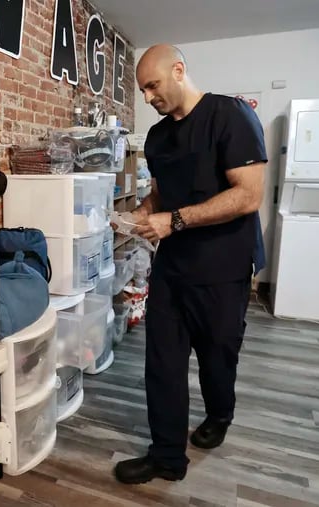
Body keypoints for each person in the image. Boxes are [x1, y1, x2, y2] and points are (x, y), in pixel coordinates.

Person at [114, 44, 267, 484]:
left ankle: (220, 414)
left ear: (178, 71)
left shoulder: (231, 116)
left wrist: (174, 220)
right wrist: (142, 213)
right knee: (162, 363)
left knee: (218, 358)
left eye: (152, 86)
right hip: (174, 268)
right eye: (142, 89)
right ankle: (166, 457)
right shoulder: (158, 137)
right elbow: (163, 194)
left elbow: (248, 195)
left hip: (223, 267)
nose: (147, 97)